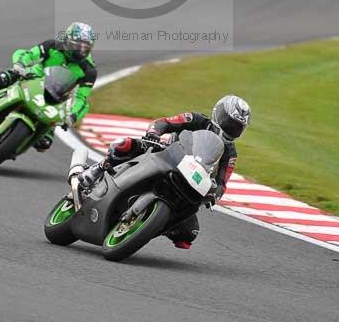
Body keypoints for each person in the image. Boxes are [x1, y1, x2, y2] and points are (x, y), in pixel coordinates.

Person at [79, 95, 251, 249]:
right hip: (165, 155)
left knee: (189, 234)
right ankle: (98, 169)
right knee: (126, 145)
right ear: (218, 114)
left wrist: (214, 194)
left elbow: (223, 182)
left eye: (237, 127)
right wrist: (154, 132)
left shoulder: (230, 153)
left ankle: (150, 225)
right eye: (229, 122)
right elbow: (165, 122)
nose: (231, 129)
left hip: (190, 181)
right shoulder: (197, 119)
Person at [0, 22, 97, 152]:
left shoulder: (89, 70)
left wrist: (72, 116)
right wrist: (21, 65)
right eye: (76, 46)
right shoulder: (52, 45)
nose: (80, 51)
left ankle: (11, 148)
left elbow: (81, 97)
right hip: (31, 78)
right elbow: (31, 54)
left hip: (55, 98)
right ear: (67, 40)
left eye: (85, 48)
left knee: (44, 145)